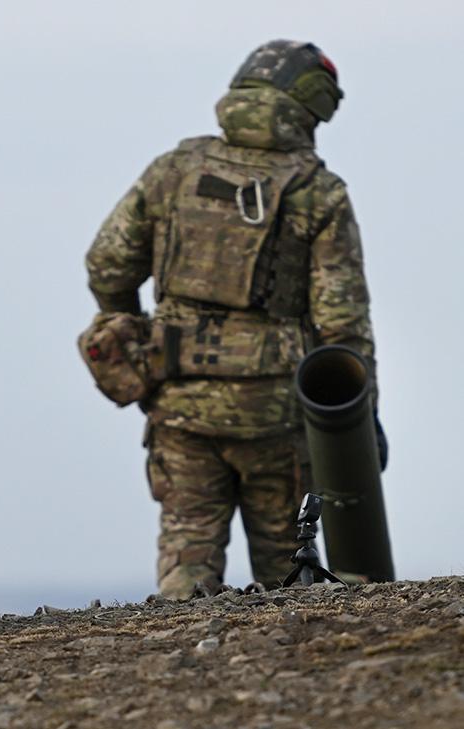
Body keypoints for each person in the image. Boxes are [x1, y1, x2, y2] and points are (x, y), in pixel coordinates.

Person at [83, 40, 381, 599]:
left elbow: (107, 263)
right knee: (288, 575)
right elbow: (344, 326)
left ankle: (174, 673)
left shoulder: (174, 171)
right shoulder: (321, 194)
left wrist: (131, 326)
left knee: (185, 576)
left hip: (180, 406)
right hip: (277, 414)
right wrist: (366, 422)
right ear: (311, 108)